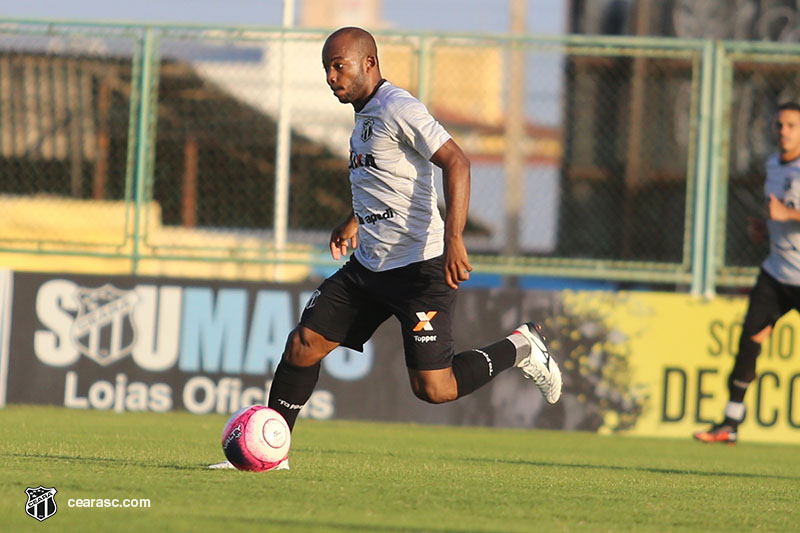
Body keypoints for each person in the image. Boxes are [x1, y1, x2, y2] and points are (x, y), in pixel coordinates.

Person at [210, 27, 561, 470]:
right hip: (369, 266)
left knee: (435, 389)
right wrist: (355, 219)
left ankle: (522, 346)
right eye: (327, 69)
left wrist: (454, 238)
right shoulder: (363, 118)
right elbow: (390, 180)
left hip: (420, 268)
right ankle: (271, 452)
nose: (331, 77)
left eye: (339, 66)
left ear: (369, 64)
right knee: (303, 344)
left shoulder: (398, 107)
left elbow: (457, 161)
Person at [694, 101, 800, 445]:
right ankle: (730, 423)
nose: (783, 132)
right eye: (779, 125)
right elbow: (779, 213)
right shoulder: (773, 164)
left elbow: (788, 212)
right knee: (749, 344)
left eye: (791, 126)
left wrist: (786, 216)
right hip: (775, 273)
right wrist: (765, 228)